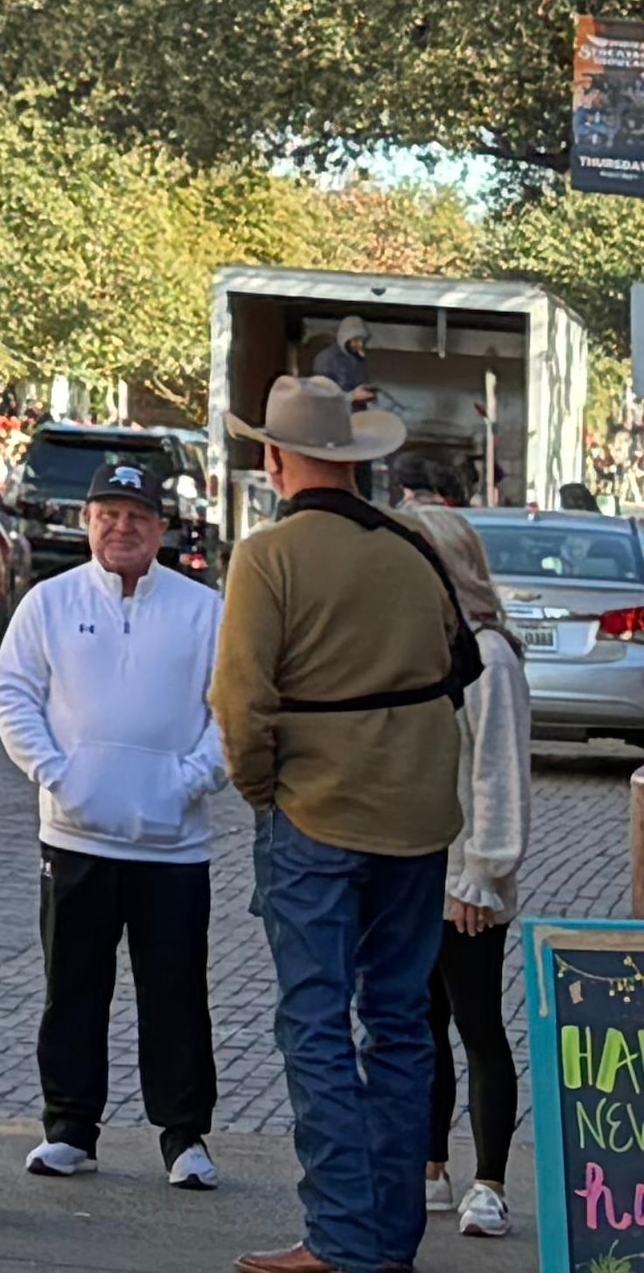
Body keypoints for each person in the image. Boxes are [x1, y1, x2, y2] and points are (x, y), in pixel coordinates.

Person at [218, 374, 479, 1273]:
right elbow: (458, 664)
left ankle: (338, 1240)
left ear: (275, 457)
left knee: (316, 1023)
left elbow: (241, 702)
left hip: (316, 815)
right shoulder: (411, 547)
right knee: (403, 1023)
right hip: (416, 817)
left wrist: (264, 791)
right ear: (353, 459)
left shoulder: (268, 556)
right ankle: (389, 1242)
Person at [0, 454, 228, 1189]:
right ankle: (70, 1128)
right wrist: (59, 776)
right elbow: (13, 694)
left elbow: (232, 710)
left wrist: (191, 780)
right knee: (74, 985)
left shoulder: (202, 610)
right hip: (75, 837)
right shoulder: (50, 603)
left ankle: (184, 1136)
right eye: (108, 517)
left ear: (161, 528)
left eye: (136, 518)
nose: (121, 529)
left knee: (177, 991)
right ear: (87, 522)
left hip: (174, 844)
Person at [412, 507, 528, 1241]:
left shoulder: (490, 656)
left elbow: (499, 775)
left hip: (465, 879)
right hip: (412, 870)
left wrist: (481, 874)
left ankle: (488, 1181)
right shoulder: (418, 649)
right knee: (419, 1025)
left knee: (477, 1023)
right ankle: (428, 1167)